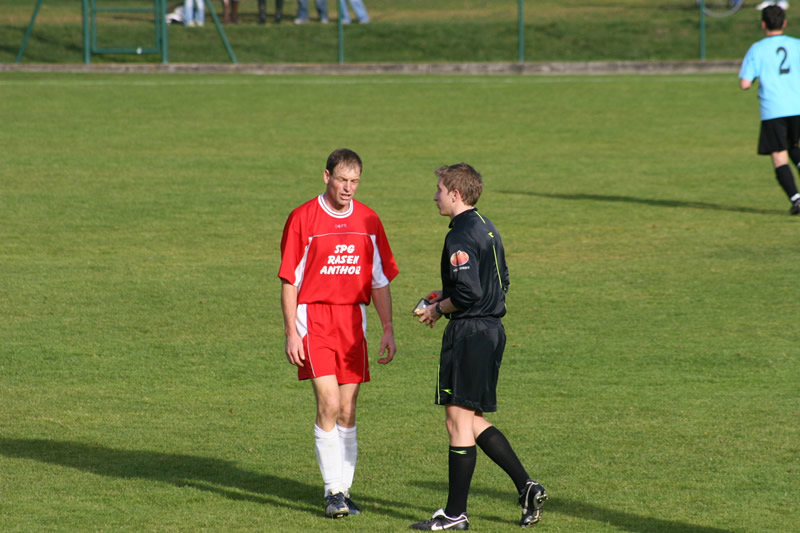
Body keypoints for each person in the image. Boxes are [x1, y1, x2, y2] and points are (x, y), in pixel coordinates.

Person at [410, 163, 547, 531]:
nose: (435, 195)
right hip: (491, 330)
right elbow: (496, 280)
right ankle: (527, 486)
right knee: (470, 420)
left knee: (457, 422)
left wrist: (439, 308)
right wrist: (446, 293)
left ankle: (455, 515)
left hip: (470, 334)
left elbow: (469, 291)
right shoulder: (487, 226)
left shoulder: (459, 236)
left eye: (439, 189)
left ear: (455, 194)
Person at [279, 148, 398, 519]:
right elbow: (289, 279)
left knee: (348, 409)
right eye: (342, 180)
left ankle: (343, 491)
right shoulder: (303, 218)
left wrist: (388, 328)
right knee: (329, 404)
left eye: (355, 181)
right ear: (326, 176)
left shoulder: (369, 220)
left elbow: (379, 281)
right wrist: (290, 334)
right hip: (313, 320)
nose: (348, 188)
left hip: (352, 322)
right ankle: (332, 491)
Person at [740, 5, 800, 215]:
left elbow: (745, 83)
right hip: (797, 106)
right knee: (795, 147)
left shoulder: (757, 49)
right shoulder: (797, 45)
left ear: (763, 24)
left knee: (779, 154)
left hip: (773, 108)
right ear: (784, 23)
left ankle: (796, 198)